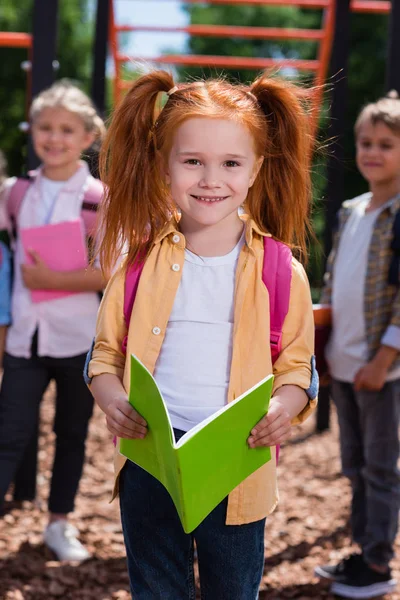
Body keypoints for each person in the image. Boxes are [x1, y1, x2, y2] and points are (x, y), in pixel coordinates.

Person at [86, 70, 318, 599]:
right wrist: (111, 396)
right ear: (163, 164)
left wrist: (285, 407)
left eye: (231, 164)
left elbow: (297, 369)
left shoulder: (281, 272)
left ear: (256, 168)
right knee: (157, 590)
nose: (211, 179)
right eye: (192, 161)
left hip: (236, 464)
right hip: (151, 457)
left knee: (232, 591)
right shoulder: (138, 264)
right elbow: (103, 354)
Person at [0, 80, 106, 561]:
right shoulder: (15, 193)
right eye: (45, 127)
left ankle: (59, 524)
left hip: (79, 341)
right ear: (32, 131)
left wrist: (50, 277)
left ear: (88, 136)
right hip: (25, 337)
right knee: (9, 433)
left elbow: (111, 271)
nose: (54, 138)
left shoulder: (98, 199)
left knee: (72, 434)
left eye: (67, 129)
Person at [315, 92, 400, 599]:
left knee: (380, 467)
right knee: (353, 463)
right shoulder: (351, 210)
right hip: (343, 360)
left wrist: (385, 356)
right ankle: (362, 546)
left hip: (380, 368)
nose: (372, 152)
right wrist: (323, 344)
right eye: (366, 142)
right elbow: (333, 281)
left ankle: (377, 564)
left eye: (386, 144)